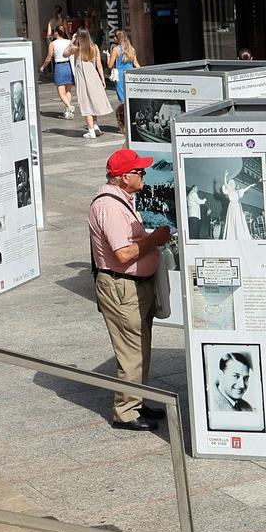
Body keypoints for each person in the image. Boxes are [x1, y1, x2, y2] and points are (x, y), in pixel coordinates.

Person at [89, 148, 174, 430]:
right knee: (131, 352)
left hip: (135, 285)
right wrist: (155, 240)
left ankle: (136, 400)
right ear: (124, 177)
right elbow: (123, 254)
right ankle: (125, 412)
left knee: (140, 347)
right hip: (122, 287)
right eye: (140, 171)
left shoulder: (123, 199)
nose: (144, 175)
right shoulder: (111, 207)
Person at [70, 28, 116, 139]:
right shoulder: (94, 47)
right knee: (93, 102)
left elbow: (65, 53)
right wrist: (102, 79)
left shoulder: (76, 49)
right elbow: (99, 65)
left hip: (83, 79)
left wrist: (72, 41)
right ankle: (95, 126)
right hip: (94, 77)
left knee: (86, 103)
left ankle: (91, 131)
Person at [108, 29, 139, 131]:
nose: (114, 38)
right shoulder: (131, 49)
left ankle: (125, 124)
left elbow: (110, 65)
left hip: (121, 77)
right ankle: (131, 122)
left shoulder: (116, 50)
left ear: (118, 38)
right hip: (131, 75)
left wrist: (109, 56)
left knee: (123, 102)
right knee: (130, 99)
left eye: (115, 37)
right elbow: (136, 64)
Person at [42, 24, 76, 118]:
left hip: (59, 67)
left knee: (61, 92)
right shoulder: (69, 41)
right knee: (68, 90)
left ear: (56, 33)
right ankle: (68, 111)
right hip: (68, 66)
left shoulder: (53, 44)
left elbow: (49, 58)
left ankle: (69, 106)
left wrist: (43, 66)